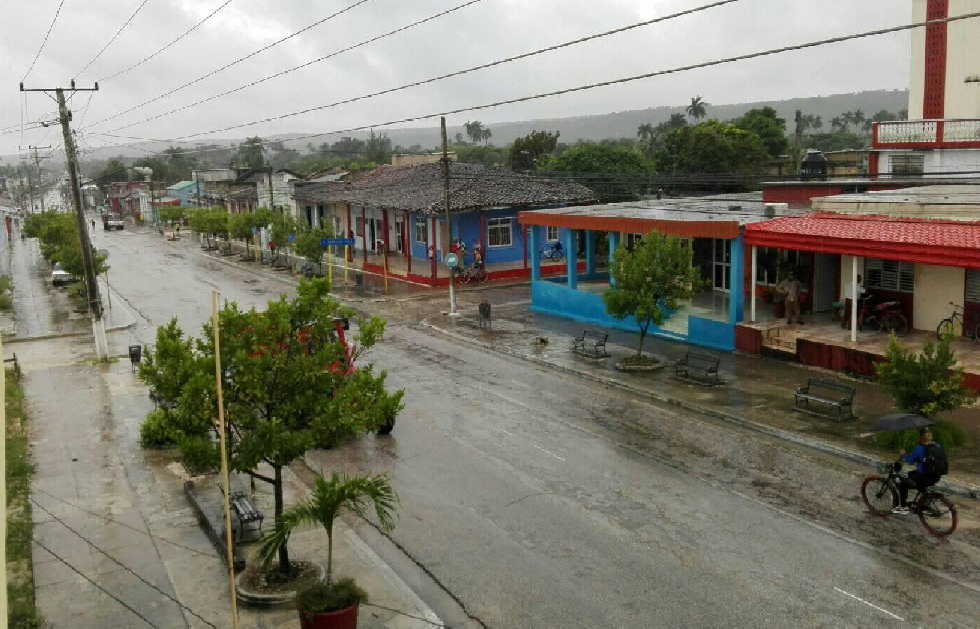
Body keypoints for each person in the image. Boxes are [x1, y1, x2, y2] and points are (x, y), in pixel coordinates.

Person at [892, 428, 945, 514]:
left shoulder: (919, 448)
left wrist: (903, 455)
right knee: (911, 475)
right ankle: (925, 496)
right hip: (936, 476)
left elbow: (910, 461)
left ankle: (903, 507)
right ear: (931, 436)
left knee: (903, 483)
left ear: (921, 437)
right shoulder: (937, 445)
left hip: (923, 477)